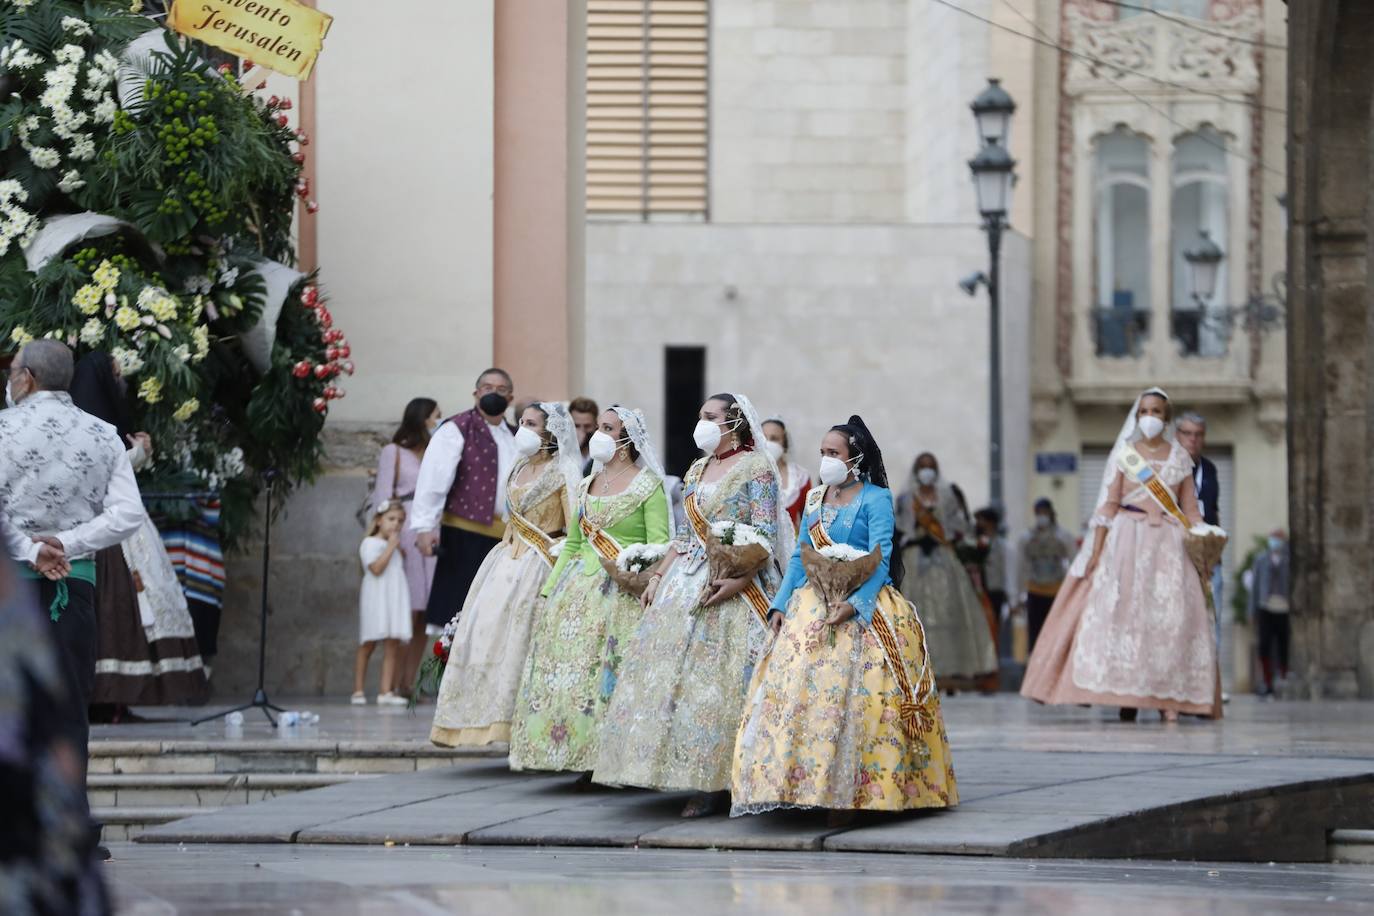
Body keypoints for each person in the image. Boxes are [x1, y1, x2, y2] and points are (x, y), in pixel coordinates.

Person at [731, 416, 957, 818]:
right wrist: (780, 604)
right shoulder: (816, 499)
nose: (826, 460)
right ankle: (800, 786)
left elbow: (882, 558)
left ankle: (854, 792)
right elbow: (801, 556)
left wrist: (856, 604)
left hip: (861, 603)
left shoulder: (876, 499)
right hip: (812, 603)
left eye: (833, 453)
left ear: (855, 458)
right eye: (822, 453)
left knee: (861, 702)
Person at [594, 393, 789, 818]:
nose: (701, 423)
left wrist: (736, 580)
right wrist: (658, 577)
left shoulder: (756, 468)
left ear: (733, 422)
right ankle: (676, 772)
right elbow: (684, 534)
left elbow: (764, 534)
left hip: (739, 583)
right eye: (701, 415)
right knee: (669, 680)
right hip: (685, 579)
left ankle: (717, 781)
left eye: (709, 416)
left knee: (717, 684)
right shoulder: (698, 468)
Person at [0, 340, 144, 849]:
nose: (9, 377)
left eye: (12, 369)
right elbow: (129, 515)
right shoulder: (103, 434)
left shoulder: (1, 428)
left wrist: (27, 548)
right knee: (67, 711)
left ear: (29, 378)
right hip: (72, 587)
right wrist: (67, 543)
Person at [1021, 387, 1219, 722]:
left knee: (1168, 622)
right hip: (1127, 542)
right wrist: (1096, 553)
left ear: (1166, 418)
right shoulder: (1125, 455)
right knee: (1127, 618)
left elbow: (1190, 511)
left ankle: (1167, 699)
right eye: (1144, 411)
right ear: (1137, 416)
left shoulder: (1180, 458)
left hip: (1170, 547)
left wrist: (1206, 546)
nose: (1150, 418)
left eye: (1157, 412)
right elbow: (1107, 507)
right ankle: (1127, 697)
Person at [509, 405, 672, 775]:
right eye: (598, 426)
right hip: (575, 590)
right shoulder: (585, 484)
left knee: (608, 676)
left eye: (608, 428)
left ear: (627, 438)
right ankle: (572, 755)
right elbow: (572, 544)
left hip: (621, 592)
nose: (598, 433)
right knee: (572, 677)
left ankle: (609, 759)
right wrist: (551, 589)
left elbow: (660, 544)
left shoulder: (649, 486)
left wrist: (636, 574)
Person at [430, 402, 579, 747]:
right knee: (483, 634)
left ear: (549, 432)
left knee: (521, 640)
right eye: (522, 422)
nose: (522, 428)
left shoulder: (565, 469)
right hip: (503, 561)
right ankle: (474, 721)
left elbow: (574, 528)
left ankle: (518, 726)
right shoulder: (518, 467)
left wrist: (562, 564)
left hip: (540, 562)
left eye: (531, 423)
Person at [69, 352, 208, 714]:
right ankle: (102, 700)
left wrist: (137, 453)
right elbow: (97, 469)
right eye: (114, 375)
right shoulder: (86, 426)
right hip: (98, 531)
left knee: (139, 607)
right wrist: (138, 454)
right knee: (113, 606)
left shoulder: (102, 424)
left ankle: (119, 700)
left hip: (124, 527)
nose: (122, 381)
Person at [0, 559, 110, 914]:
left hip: (63, 584)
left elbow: (126, 511)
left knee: (63, 714)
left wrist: (57, 548)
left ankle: (67, 825)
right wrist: (35, 549)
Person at [411, 369, 517, 638]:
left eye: (501, 389)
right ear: (476, 393)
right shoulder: (456, 429)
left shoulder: (517, 436)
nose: (493, 392)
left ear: (511, 397)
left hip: (506, 542)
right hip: (463, 537)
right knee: (455, 619)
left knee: (492, 623)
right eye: (487, 387)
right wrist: (425, 527)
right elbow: (433, 480)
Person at [895, 453, 997, 689]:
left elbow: (957, 526)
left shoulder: (946, 497)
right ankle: (914, 666)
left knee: (950, 611)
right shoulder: (907, 498)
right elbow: (901, 527)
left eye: (930, 467)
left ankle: (951, 671)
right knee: (915, 611)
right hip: (915, 558)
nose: (926, 471)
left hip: (943, 559)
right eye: (922, 467)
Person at [373, 397, 441, 693]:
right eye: (436, 416)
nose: (440, 420)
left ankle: (408, 683)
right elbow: (382, 497)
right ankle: (391, 683)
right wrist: (390, 537)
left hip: (433, 529)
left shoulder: (437, 450)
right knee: (407, 609)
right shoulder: (394, 452)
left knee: (427, 614)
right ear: (422, 418)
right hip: (405, 529)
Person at [1176, 411, 1225, 683]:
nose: (1193, 440)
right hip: (1177, 556)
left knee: (1210, 622)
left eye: (1198, 434)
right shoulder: (1168, 469)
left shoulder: (1211, 469)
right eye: (1187, 433)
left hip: (1207, 560)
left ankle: (1210, 684)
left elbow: (1213, 511)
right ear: (1176, 435)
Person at [354, 501, 413, 705]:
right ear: (379, 520)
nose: (396, 524)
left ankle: (385, 691)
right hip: (377, 598)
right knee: (369, 642)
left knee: (392, 643)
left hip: (393, 598)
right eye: (391, 519)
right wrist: (390, 548)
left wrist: (395, 549)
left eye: (400, 521)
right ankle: (358, 690)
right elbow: (376, 569)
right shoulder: (369, 544)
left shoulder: (395, 547)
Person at [1015, 498, 1078, 653]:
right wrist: (1018, 594)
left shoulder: (1064, 536)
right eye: (1038, 513)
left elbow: (1074, 562)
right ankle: (1034, 660)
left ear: (1051, 512)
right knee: (1035, 630)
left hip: (1056, 590)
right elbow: (1021, 566)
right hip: (1034, 589)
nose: (1041, 516)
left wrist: (1073, 591)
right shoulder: (1026, 538)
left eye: (1044, 512)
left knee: (1056, 629)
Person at [1248, 529, 1291, 697]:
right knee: (1264, 645)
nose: (1275, 542)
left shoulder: (1289, 560)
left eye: (1278, 539)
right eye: (1273, 538)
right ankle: (1266, 681)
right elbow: (1255, 587)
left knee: (1283, 645)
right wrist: (1252, 611)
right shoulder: (1261, 559)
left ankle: (1283, 677)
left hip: (1284, 607)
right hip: (1265, 606)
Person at [762, 416, 810, 529]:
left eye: (774, 438)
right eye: (763, 437)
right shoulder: (746, 472)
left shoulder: (800, 477)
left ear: (784, 444)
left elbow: (807, 519)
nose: (768, 443)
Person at [569, 395, 600, 475]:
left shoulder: (600, 451)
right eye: (576, 426)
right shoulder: (560, 451)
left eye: (587, 426)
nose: (582, 431)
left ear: (596, 425)